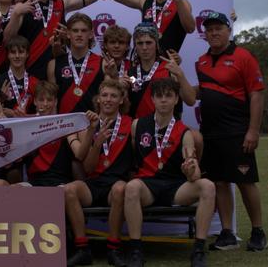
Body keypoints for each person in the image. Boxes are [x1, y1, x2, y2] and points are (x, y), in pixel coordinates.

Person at [169, 11, 268, 252]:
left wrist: (253, 131)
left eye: (218, 28)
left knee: (246, 183)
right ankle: (227, 233)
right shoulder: (202, 61)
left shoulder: (244, 56)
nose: (213, 33)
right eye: (209, 29)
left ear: (228, 30)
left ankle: (258, 231)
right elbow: (195, 96)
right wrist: (179, 77)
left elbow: (256, 95)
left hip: (237, 132)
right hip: (211, 132)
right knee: (220, 183)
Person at [125, 77, 216, 267]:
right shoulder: (137, 125)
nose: (164, 100)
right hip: (148, 186)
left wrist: (190, 170)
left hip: (176, 188)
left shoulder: (185, 132)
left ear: (176, 99)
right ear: (153, 99)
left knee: (207, 186)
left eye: (169, 96)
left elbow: (195, 174)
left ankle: (198, 250)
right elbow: (133, 157)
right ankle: (135, 250)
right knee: (132, 187)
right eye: (159, 96)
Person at [64, 79, 132, 267]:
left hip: (115, 185)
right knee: (69, 190)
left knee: (120, 188)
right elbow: (87, 168)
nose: (108, 99)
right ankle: (82, 249)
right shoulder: (88, 125)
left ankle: (113, 248)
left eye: (113, 96)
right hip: (93, 183)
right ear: (98, 100)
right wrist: (97, 142)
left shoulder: (131, 125)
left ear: (121, 100)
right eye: (105, 95)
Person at [4, 0, 99, 80]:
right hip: (30, 68)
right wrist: (16, 14)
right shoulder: (22, 5)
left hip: (59, 66)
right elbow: (7, 39)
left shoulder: (61, 1)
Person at [21, 81, 87, 186]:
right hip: (33, 183)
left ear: (56, 102)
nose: (45, 104)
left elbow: (79, 154)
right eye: (41, 100)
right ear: (35, 102)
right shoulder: (26, 125)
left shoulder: (65, 124)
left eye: (49, 100)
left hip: (60, 183)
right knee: (12, 191)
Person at [48, 13, 106, 114]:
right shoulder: (54, 64)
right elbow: (52, 102)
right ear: (68, 34)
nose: (79, 34)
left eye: (84, 31)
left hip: (92, 125)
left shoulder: (103, 63)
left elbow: (107, 101)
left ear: (91, 34)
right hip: (64, 126)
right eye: (75, 30)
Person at [126, 23, 172, 118]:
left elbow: (190, 100)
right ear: (135, 46)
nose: (144, 48)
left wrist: (180, 75)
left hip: (163, 128)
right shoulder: (130, 73)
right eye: (140, 43)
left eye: (148, 42)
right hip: (137, 127)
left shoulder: (169, 69)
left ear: (156, 44)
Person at [0, 35, 39, 116]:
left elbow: (40, 114)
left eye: (21, 52)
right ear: (8, 55)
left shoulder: (35, 82)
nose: (17, 56)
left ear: (27, 54)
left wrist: (14, 114)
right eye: (13, 52)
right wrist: (0, 99)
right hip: (5, 127)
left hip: (28, 127)